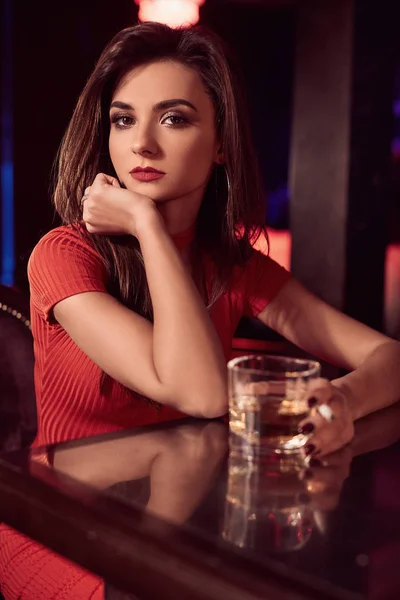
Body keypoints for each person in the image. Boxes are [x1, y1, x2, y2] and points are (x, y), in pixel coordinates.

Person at [1, 21, 400, 600]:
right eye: (123, 119)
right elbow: (200, 392)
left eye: (174, 118)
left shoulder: (235, 268)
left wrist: (344, 399)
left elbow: (388, 356)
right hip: (63, 536)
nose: (142, 143)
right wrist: (145, 225)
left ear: (220, 145)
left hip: (185, 530)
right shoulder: (63, 256)